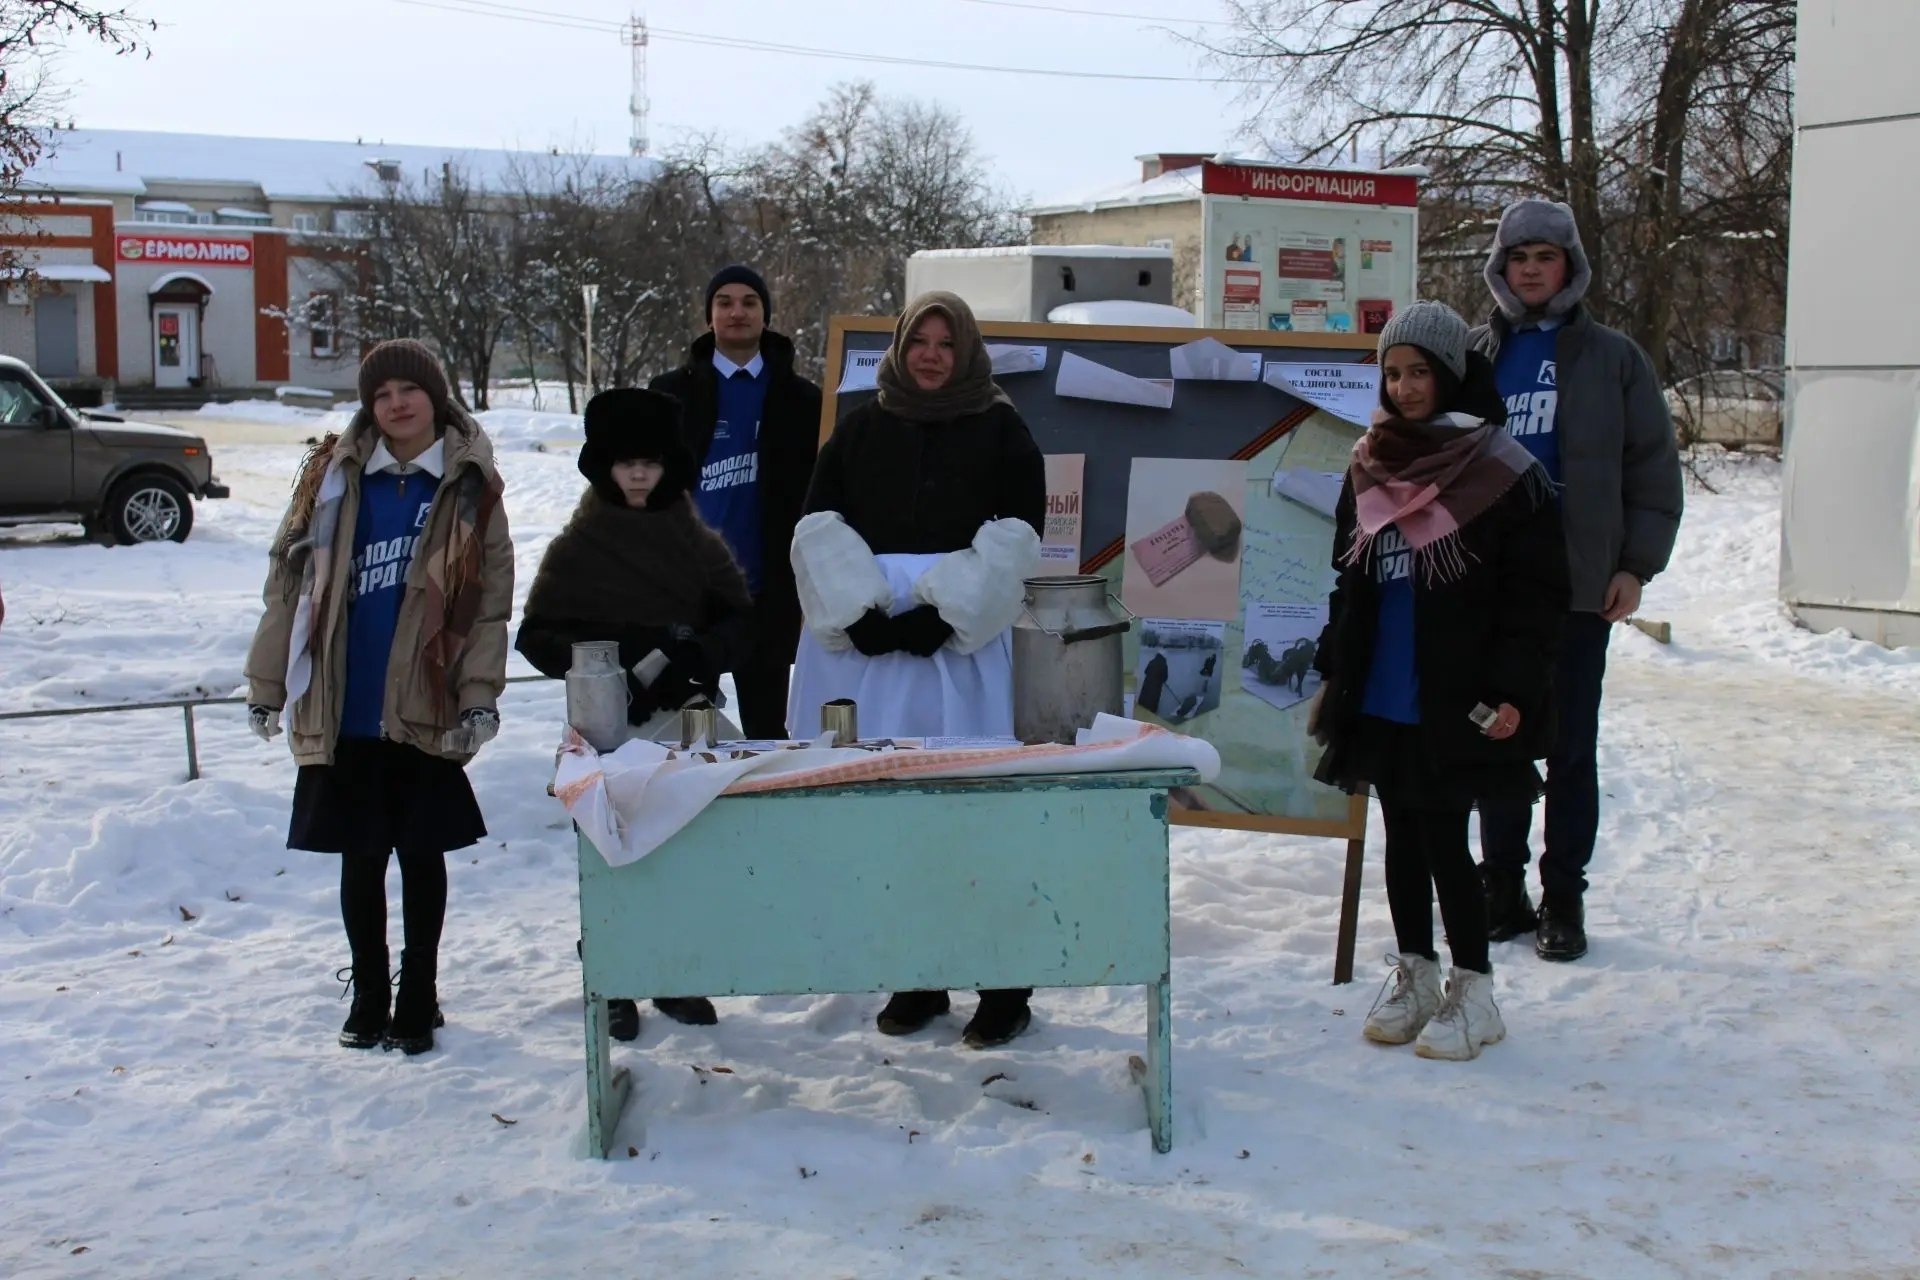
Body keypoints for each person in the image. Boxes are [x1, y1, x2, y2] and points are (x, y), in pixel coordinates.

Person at [1308, 301, 1568, 1061]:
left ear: (1453, 372)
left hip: (1458, 688)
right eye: (1393, 372)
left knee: (1449, 837)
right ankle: (1416, 973)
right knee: (1401, 835)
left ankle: (1475, 990)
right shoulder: (1368, 464)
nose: (1405, 386)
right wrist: (1335, 657)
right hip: (1385, 679)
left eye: (1420, 370)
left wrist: (1514, 689)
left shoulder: (1505, 471)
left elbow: (1537, 598)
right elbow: (1347, 579)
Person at [790, 290, 1044, 1049]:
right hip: (867, 660)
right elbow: (817, 523)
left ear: (965, 353)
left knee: (972, 811)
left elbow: (1019, 531)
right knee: (890, 816)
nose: (931, 355)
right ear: (899, 349)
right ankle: (918, 974)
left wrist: (950, 611)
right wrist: (856, 610)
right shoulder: (861, 429)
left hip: (961, 658)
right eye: (919, 342)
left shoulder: (1002, 430)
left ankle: (1003, 985)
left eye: (945, 343)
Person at [244, 340, 512, 1056]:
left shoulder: (469, 487)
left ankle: (418, 990)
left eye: (409, 389)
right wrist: (268, 685)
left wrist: (479, 696)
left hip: (426, 700)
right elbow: (288, 589)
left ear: (435, 395)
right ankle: (368, 989)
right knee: (360, 856)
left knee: (421, 852)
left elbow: (488, 610)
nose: (396, 403)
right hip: (345, 699)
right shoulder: (330, 480)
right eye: (381, 392)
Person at [1469, 200, 1685, 962]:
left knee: (1568, 747)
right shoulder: (1475, 357)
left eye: (1545, 256)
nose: (1530, 268)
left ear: (1571, 267)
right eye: (1517, 256)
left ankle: (1564, 898)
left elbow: (1651, 470)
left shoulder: (1612, 358)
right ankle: (1501, 889)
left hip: (1579, 588)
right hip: (1492, 591)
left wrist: (1634, 566)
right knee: (1496, 742)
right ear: (1501, 268)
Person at [514, 387, 753, 1040]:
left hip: (684, 718)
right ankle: (612, 974)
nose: (640, 474)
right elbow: (535, 636)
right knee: (610, 844)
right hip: (606, 724)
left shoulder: (694, 541)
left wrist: (694, 655)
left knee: (685, 845)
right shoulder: (579, 545)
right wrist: (605, 661)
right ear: (604, 467)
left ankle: (672, 970)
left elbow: (739, 619)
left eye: (650, 461)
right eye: (626, 462)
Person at [649, 265, 821, 741]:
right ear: (709, 317)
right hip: (687, 594)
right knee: (683, 736)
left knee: (768, 734)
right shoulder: (669, 394)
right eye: (724, 302)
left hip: (765, 594)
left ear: (766, 315)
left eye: (749, 302)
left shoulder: (803, 401)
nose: (737, 311)